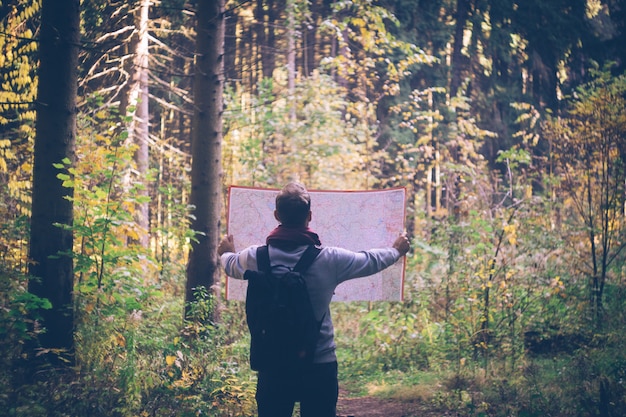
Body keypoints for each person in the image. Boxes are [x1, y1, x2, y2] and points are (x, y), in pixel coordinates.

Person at [217, 182, 410, 417]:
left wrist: (226, 251)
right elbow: (369, 260)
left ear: (277, 215)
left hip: (273, 363)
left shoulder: (253, 257)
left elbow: (228, 264)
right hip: (319, 364)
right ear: (309, 216)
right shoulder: (331, 260)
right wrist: (397, 250)